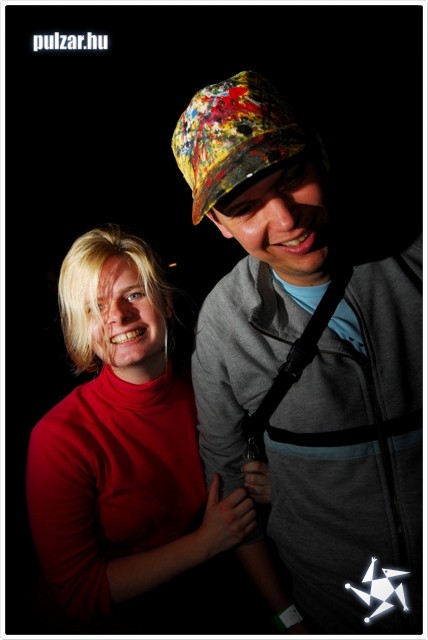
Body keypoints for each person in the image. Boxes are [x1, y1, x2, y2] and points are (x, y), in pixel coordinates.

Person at [171, 70, 423, 634]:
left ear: (322, 155)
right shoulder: (224, 326)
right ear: (218, 224)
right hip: (338, 609)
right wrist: (288, 619)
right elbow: (229, 488)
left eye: (291, 177)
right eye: (246, 208)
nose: (285, 220)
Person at [25, 223, 277, 634]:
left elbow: (239, 493)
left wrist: (271, 487)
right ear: (82, 327)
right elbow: (79, 592)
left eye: (133, 294)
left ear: (166, 302)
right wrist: (204, 543)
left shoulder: (213, 390)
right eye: (95, 307)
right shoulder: (58, 438)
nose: (118, 316)